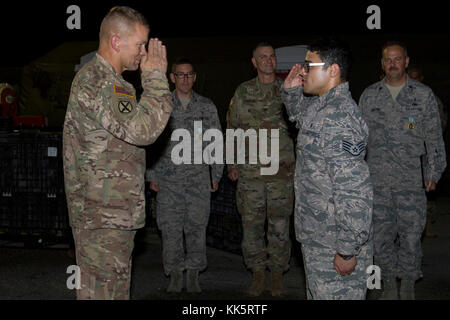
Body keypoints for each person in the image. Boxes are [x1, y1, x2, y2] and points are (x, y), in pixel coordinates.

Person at [62, 6, 172, 300]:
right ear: (115, 41)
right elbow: (142, 131)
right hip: (103, 215)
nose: (142, 53)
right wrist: (156, 79)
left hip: (108, 212)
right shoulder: (102, 82)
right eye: (139, 45)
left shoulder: (113, 82)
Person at [281, 37, 373, 300]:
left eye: (309, 65)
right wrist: (289, 92)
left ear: (333, 71)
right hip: (319, 237)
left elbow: (354, 189)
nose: (302, 71)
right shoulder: (322, 106)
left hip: (334, 242)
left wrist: (347, 249)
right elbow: (300, 117)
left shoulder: (339, 117)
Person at [359, 41, 447, 300]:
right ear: (382, 63)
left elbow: (434, 137)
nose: (393, 64)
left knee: (411, 236)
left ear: (406, 62)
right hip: (378, 181)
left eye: (398, 59)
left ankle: (407, 283)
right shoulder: (370, 95)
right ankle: (388, 284)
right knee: (381, 237)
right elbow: (359, 139)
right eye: (388, 59)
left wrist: (434, 171)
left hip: (410, 180)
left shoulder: (422, 95)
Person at [147, 58, 223, 293]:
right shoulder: (162, 105)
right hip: (169, 180)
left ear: (195, 77)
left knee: (196, 227)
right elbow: (151, 141)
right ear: (172, 77)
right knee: (170, 228)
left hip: (198, 179)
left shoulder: (206, 106)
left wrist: (216, 172)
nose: (185, 79)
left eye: (189, 74)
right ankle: (175, 273)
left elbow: (215, 140)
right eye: (180, 75)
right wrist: (152, 174)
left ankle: (193, 273)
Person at [226, 42, 295, 297]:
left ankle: (277, 274)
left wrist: (298, 164)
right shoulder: (243, 92)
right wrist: (232, 164)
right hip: (250, 171)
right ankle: (257, 273)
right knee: (252, 224)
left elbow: (299, 130)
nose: (268, 61)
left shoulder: (288, 91)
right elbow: (232, 128)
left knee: (279, 224)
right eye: (262, 57)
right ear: (254, 62)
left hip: (281, 170)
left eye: (271, 56)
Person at [408, 63, 447, 238]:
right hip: (411, 153)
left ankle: (427, 224)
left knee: (428, 191)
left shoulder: (430, 98)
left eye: (417, 77)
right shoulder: (407, 98)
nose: (414, 81)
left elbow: (439, 125)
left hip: (427, 152)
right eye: (412, 77)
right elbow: (408, 124)